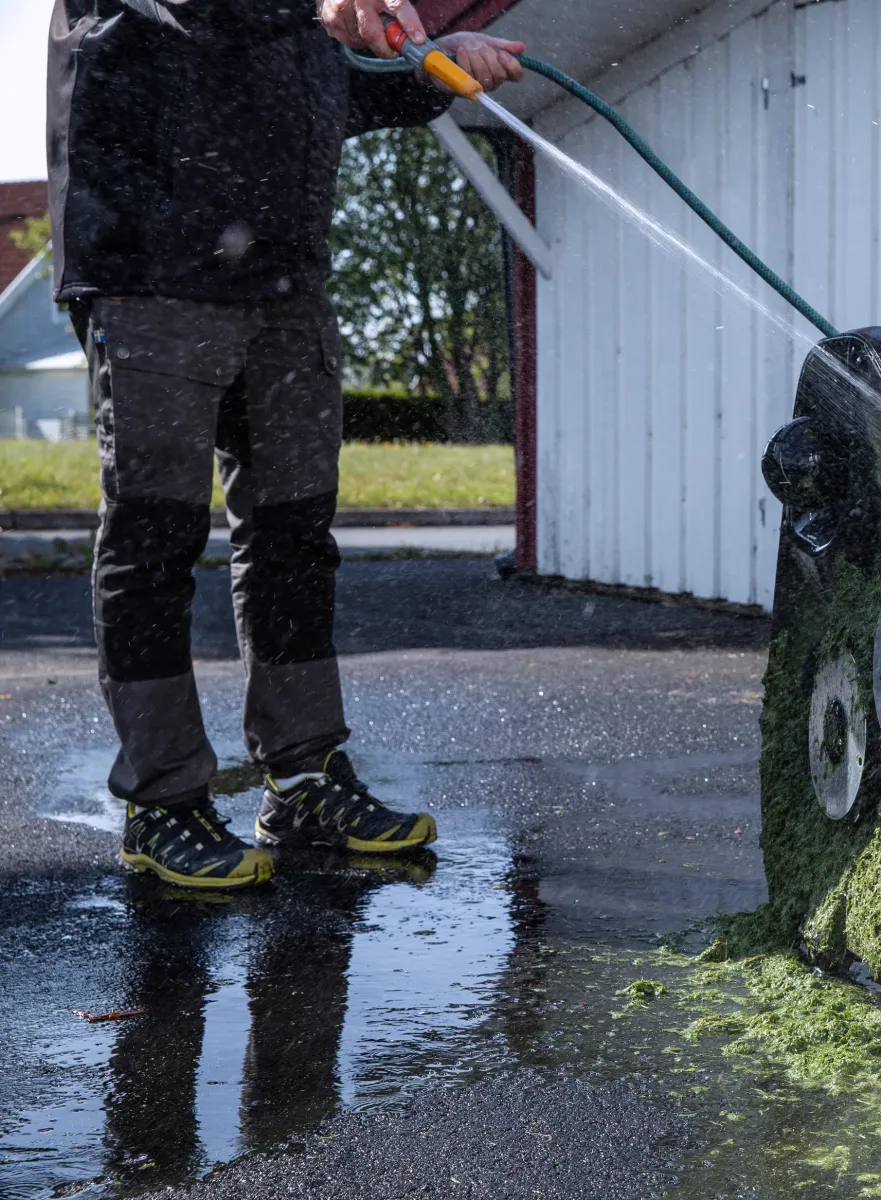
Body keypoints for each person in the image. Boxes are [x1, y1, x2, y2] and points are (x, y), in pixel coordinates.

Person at [47, 0, 526, 888]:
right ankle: (162, 803)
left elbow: (314, 84)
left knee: (293, 529)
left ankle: (304, 774)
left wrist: (426, 67)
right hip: (151, 266)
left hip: (281, 276)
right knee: (154, 534)